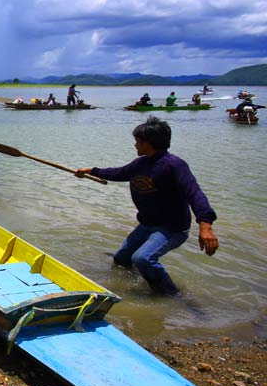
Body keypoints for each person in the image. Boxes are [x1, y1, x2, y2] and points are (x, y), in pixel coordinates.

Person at [75, 116, 219, 296]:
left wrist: (205, 226)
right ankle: (134, 284)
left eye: (137, 142)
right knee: (121, 259)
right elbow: (119, 173)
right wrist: (91, 171)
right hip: (147, 225)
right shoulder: (140, 163)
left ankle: (171, 296)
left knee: (143, 258)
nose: (135, 145)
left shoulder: (174, 165)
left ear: (148, 143)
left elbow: (195, 193)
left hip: (172, 228)